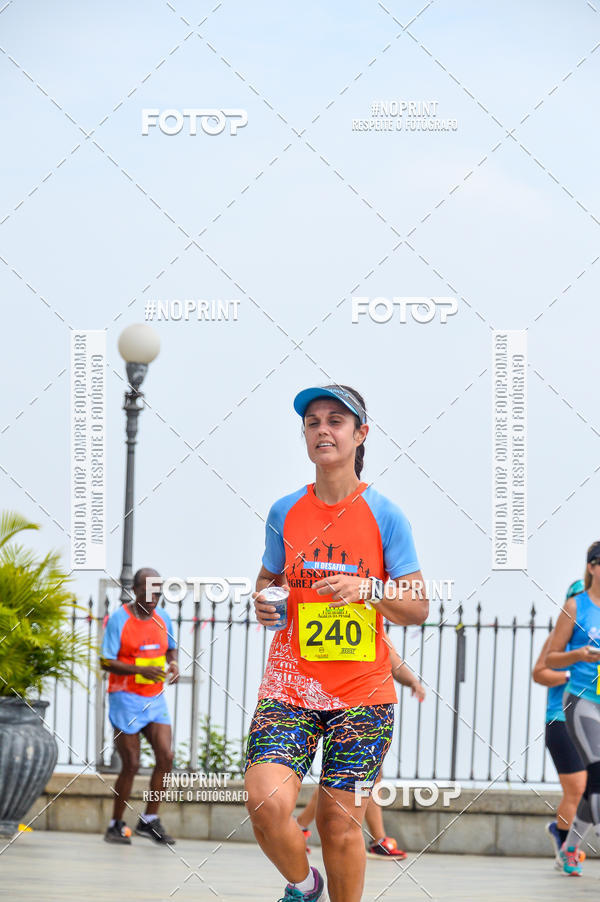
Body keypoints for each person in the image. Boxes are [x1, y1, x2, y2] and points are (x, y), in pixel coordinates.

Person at [244, 384, 428, 902]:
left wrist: (367, 589)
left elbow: (417, 607)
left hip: (362, 697)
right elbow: (266, 580)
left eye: (335, 421)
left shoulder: (385, 515)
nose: (322, 429)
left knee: (338, 822)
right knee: (264, 801)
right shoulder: (285, 512)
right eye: (312, 422)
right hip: (289, 688)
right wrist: (263, 600)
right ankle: (305, 886)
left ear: (360, 433)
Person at [296, 637, 426, 860]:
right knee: (348, 778)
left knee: (361, 777)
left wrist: (413, 682)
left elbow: (393, 660)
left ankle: (376, 839)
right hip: (343, 706)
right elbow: (394, 661)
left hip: (367, 708)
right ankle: (376, 840)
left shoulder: (372, 624)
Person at [100, 567, 179, 845]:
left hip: (154, 699)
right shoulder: (118, 620)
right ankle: (115, 824)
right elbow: (105, 661)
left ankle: (149, 821)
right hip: (125, 698)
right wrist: (138, 671)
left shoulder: (163, 618)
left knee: (166, 757)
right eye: (147, 592)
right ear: (135, 591)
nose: (153, 598)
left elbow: (170, 646)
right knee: (131, 764)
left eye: (157, 592)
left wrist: (173, 663)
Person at [546, 542, 600, 876]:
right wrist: (578, 655)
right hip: (581, 700)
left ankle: (569, 846)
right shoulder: (576, 607)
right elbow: (550, 658)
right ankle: (570, 848)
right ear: (592, 567)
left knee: (593, 787)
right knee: (595, 776)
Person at [532, 580, 586, 869]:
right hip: (561, 718)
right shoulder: (557, 640)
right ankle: (567, 847)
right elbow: (539, 674)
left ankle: (562, 835)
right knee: (577, 788)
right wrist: (571, 677)